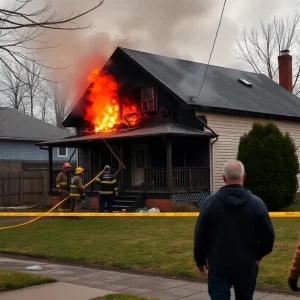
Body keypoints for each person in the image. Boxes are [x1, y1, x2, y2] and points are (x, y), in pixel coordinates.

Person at [194, 159, 275, 300]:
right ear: (244, 176)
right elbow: (268, 237)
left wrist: (200, 260)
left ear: (223, 177)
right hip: (246, 264)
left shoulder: (210, 203)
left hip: (218, 264)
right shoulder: (257, 204)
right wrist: (258, 255)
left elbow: (200, 236)